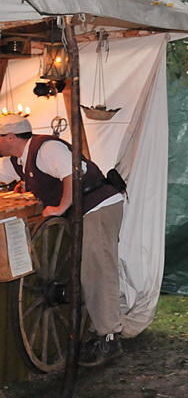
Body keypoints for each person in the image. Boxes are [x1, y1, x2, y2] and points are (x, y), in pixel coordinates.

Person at [0, 113, 126, 366]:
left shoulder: (46, 148)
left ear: (11, 137)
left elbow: (73, 172)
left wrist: (61, 206)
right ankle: (99, 330)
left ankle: (109, 338)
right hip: (83, 210)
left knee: (98, 270)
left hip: (97, 207)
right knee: (89, 270)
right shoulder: (17, 160)